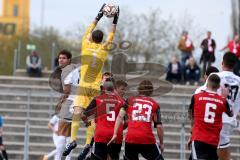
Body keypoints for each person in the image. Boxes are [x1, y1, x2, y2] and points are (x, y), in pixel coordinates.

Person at [63, 3, 120, 156]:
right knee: (92, 117)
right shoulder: (104, 49)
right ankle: (88, 144)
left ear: (91, 38)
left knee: (76, 112)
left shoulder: (85, 44)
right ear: (101, 40)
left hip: (83, 86)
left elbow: (89, 29)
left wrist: (99, 15)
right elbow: (112, 35)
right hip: (95, 87)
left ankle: (73, 140)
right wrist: (115, 18)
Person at [108, 80, 164, 160]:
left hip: (131, 138)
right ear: (151, 91)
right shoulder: (155, 105)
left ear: (139, 89)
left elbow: (120, 117)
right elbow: (159, 126)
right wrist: (161, 143)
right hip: (147, 139)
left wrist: (115, 133)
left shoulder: (129, 100)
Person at [188, 74, 233, 160]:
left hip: (198, 138)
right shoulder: (222, 101)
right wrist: (225, 97)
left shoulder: (196, 97)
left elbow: (191, 114)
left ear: (207, 83)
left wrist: (191, 133)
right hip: (213, 141)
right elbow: (230, 114)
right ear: (219, 86)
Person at [81, 78, 125, 160]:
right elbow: (126, 120)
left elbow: (83, 115)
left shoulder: (98, 99)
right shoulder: (122, 101)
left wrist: (88, 123)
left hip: (101, 133)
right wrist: (121, 128)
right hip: (116, 135)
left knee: (98, 157)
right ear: (114, 88)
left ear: (104, 87)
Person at [214, 52, 240, 160]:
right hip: (230, 119)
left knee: (221, 148)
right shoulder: (239, 80)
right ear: (234, 65)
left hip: (217, 117)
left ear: (222, 63)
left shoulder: (215, 77)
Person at [53, 50, 78, 160]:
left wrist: (60, 102)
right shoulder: (74, 68)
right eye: (59, 58)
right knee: (68, 134)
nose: (60, 60)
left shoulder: (67, 71)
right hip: (78, 102)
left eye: (63, 58)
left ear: (69, 60)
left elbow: (67, 91)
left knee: (62, 133)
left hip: (71, 103)